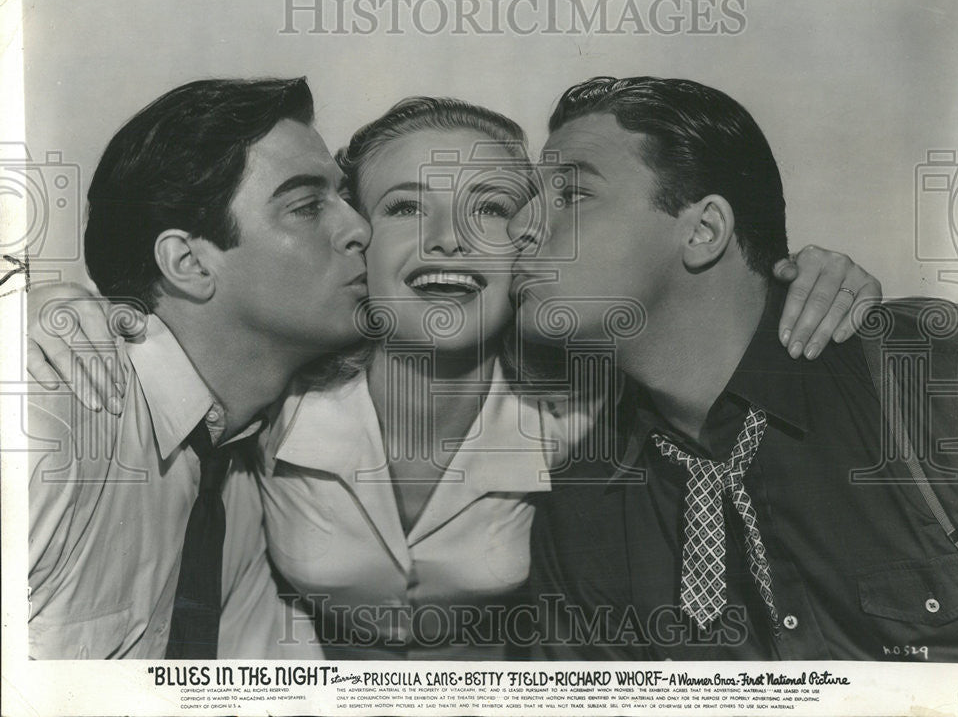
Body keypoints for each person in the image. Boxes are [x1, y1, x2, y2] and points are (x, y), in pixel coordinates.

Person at [26, 92, 880, 661]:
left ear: (537, 241)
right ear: (358, 236)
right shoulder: (257, 406)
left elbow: (706, 322)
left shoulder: (598, 400)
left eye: (493, 211)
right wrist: (43, 296)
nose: (448, 240)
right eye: (403, 207)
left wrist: (804, 274)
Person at [516, 76, 958, 662]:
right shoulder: (580, 509)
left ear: (704, 231)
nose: (521, 228)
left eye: (572, 195)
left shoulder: (942, 375)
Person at [25, 77, 371, 658]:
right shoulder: (51, 409)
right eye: (307, 206)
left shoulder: (235, 488)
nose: (359, 228)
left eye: (344, 198)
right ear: (188, 263)